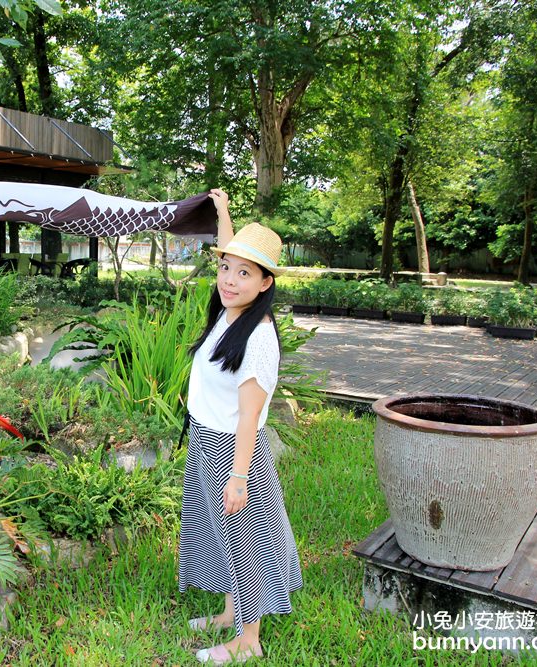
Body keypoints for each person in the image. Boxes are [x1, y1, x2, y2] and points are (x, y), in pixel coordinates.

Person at [179, 189, 303, 664]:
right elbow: (232, 251)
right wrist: (224, 213)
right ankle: (232, 612)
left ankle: (248, 639)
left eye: (243, 273)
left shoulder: (258, 339)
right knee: (221, 536)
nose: (228, 279)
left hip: (234, 448)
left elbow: (250, 416)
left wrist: (238, 476)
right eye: (224, 268)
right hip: (208, 439)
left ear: (266, 283)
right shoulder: (232, 311)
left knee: (249, 544)